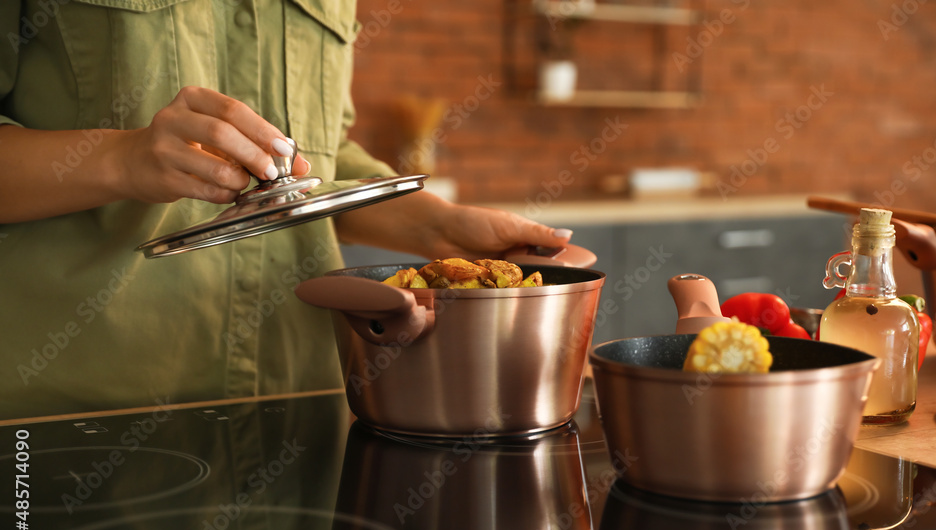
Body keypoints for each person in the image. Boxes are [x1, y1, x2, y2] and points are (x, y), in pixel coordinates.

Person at [0, 1, 572, 420]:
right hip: (76, 422)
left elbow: (312, 162)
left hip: (307, 410)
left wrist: (438, 225)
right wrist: (121, 159)